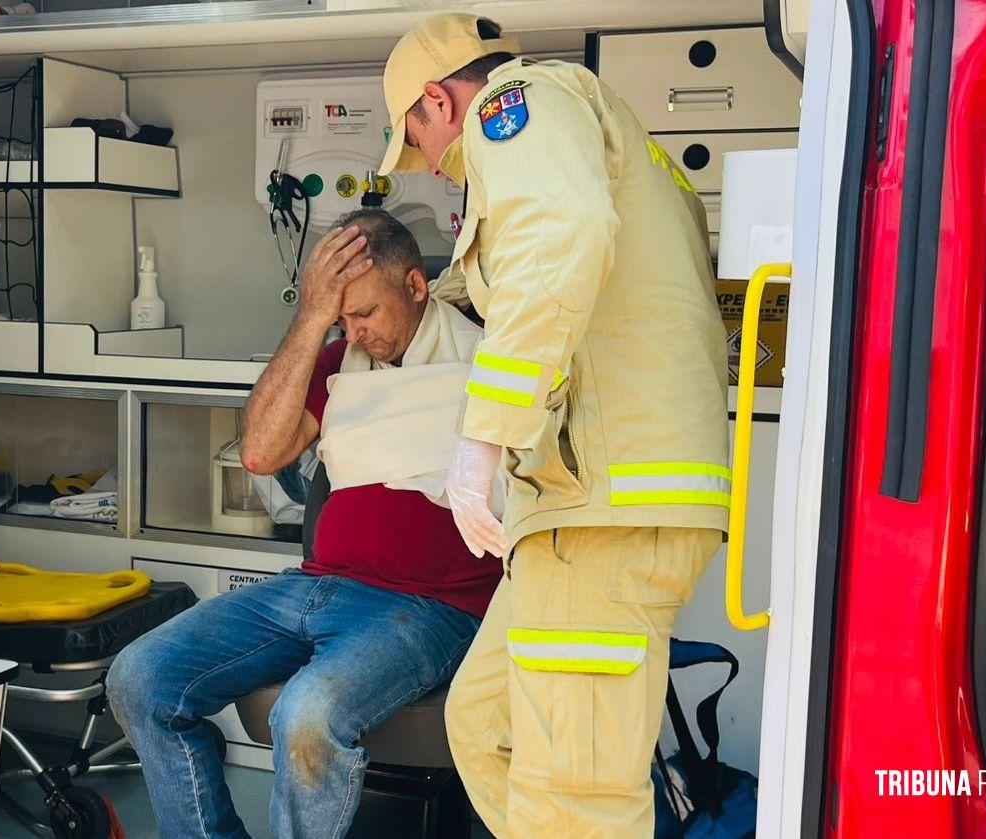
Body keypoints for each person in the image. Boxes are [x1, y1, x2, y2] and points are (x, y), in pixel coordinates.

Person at [376, 12, 730, 838]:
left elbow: (557, 241)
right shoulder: (594, 124)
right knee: (483, 724)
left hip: (600, 508)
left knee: (572, 800)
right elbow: (566, 273)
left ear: (439, 100)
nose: (437, 169)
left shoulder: (515, 105)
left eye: (423, 145)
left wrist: (482, 441)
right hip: (591, 507)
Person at [106, 209, 498, 839]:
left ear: (415, 286)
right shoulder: (340, 360)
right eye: (341, 318)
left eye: (364, 313)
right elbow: (260, 452)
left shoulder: (490, 359)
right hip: (313, 586)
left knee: (306, 715)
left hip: (431, 606)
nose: (355, 332)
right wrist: (312, 320)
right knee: (139, 678)